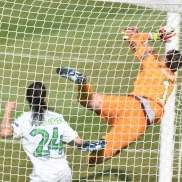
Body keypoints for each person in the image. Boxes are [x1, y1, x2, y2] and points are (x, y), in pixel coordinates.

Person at [56, 26, 182, 167]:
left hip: (129, 103)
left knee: (88, 100)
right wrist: (144, 40)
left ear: (165, 59)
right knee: (105, 152)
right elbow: (152, 53)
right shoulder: (171, 79)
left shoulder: (153, 64)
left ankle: (84, 82)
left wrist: (154, 35)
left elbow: (132, 40)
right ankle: (101, 146)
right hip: (140, 120)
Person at [1, 82, 83, 182]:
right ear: (45, 99)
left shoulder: (25, 119)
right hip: (64, 173)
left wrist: (8, 110)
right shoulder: (57, 117)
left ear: (27, 98)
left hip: (42, 177)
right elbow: (77, 141)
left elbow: (5, 133)